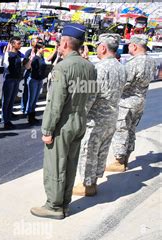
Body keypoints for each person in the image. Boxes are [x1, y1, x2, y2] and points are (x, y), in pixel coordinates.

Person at [30, 23, 97, 219]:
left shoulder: (63, 67)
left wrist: (48, 129)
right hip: (80, 119)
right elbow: (90, 94)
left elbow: (55, 103)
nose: (58, 45)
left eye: (60, 42)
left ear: (66, 43)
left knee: (55, 164)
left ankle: (54, 206)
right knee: (70, 163)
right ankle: (65, 203)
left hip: (63, 122)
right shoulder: (89, 67)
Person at [73, 34, 126, 196]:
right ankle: (94, 181)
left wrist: (78, 116)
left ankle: (87, 185)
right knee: (102, 150)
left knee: (89, 151)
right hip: (111, 116)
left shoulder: (99, 68)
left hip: (96, 119)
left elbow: (89, 96)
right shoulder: (121, 67)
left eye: (98, 46)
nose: (96, 49)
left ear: (103, 48)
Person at [106, 35, 158, 172]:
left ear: (134, 46)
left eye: (129, 45)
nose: (128, 47)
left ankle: (119, 160)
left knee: (121, 129)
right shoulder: (151, 62)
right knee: (131, 129)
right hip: (140, 100)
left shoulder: (133, 63)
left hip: (127, 102)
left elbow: (123, 83)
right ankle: (126, 156)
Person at [1, 36, 26, 130]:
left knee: (11, 101)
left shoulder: (19, 54)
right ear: (12, 44)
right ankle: (5, 120)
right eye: (18, 43)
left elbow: (26, 65)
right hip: (9, 79)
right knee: (6, 101)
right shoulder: (8, 54)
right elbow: (5, 65)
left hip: (16, 79)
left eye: (20, 43)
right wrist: (6, 54)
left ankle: (8, 119)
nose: (20, 45)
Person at [25, 42, 46, 124]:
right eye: (42, 48)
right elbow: (28, 67)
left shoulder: (42, 57)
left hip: (39, 79)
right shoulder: (34, 57)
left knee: (35, 99)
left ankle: (32, 115)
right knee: (31, 98)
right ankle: (29, 116)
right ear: (38, 49)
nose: (44, 49)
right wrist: (31, 58)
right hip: (33, 79)